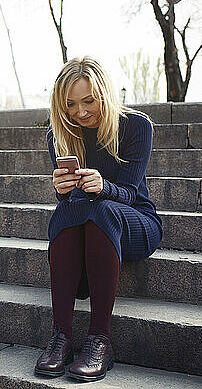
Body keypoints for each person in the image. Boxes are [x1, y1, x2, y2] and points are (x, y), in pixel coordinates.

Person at [34, 56, 163, 382]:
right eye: (71, 104)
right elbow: (70, 198)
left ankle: (100, 340)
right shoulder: (59, 133)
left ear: (104, 92)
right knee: (69, 211)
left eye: (88, 101)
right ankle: (60, 337)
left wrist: (104, 186)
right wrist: (62, 190)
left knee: (101, 210)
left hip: (135, 221)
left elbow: (131, 193)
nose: (80, 112)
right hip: (85, 220)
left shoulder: (136, 126)